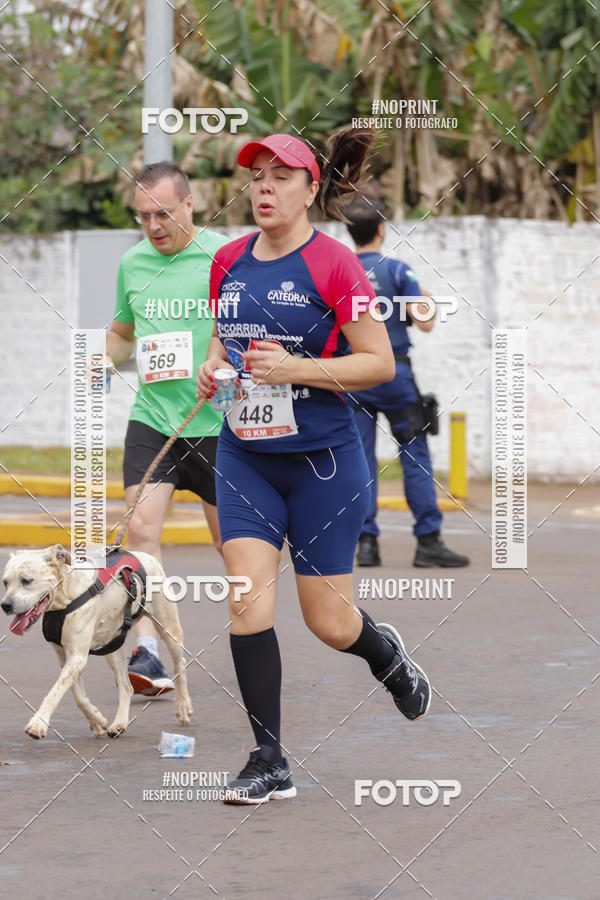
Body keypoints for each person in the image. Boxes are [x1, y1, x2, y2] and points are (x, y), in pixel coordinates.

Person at [196, 130, 432, 805]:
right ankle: (268, 758)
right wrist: (212, 370)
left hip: (323, 464)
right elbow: (222, 340)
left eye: (279, 176)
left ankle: (384, 654)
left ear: (309, 189)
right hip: (245, 456)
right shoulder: (226, 261)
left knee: (327, 622)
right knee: (246, 601)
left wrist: (295, 367)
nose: (263, 187)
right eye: (255, 176)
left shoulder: (336, 266)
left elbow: (378, 363)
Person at [107, 162, 226, 695]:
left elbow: (253, 326)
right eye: (143, 216)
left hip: (221, 425)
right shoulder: (133, 263)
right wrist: (101, 359)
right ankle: (147, 652)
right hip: (155, 421)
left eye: (162, 214)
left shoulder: (225, 256)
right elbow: (121, 330)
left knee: (235, 547)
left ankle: (251, 638)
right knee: (140, 533)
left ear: (190, 204)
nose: (153, 226)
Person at [344, 197, 470, 570]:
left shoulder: (342, 270)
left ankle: (366, 545)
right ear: (381, 229)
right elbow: (426, 320)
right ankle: (428, 541)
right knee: (414, 455)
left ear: (350, 232)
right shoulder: (398, 270)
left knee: (361, 461)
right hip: (395, 374)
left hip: (355, 375)